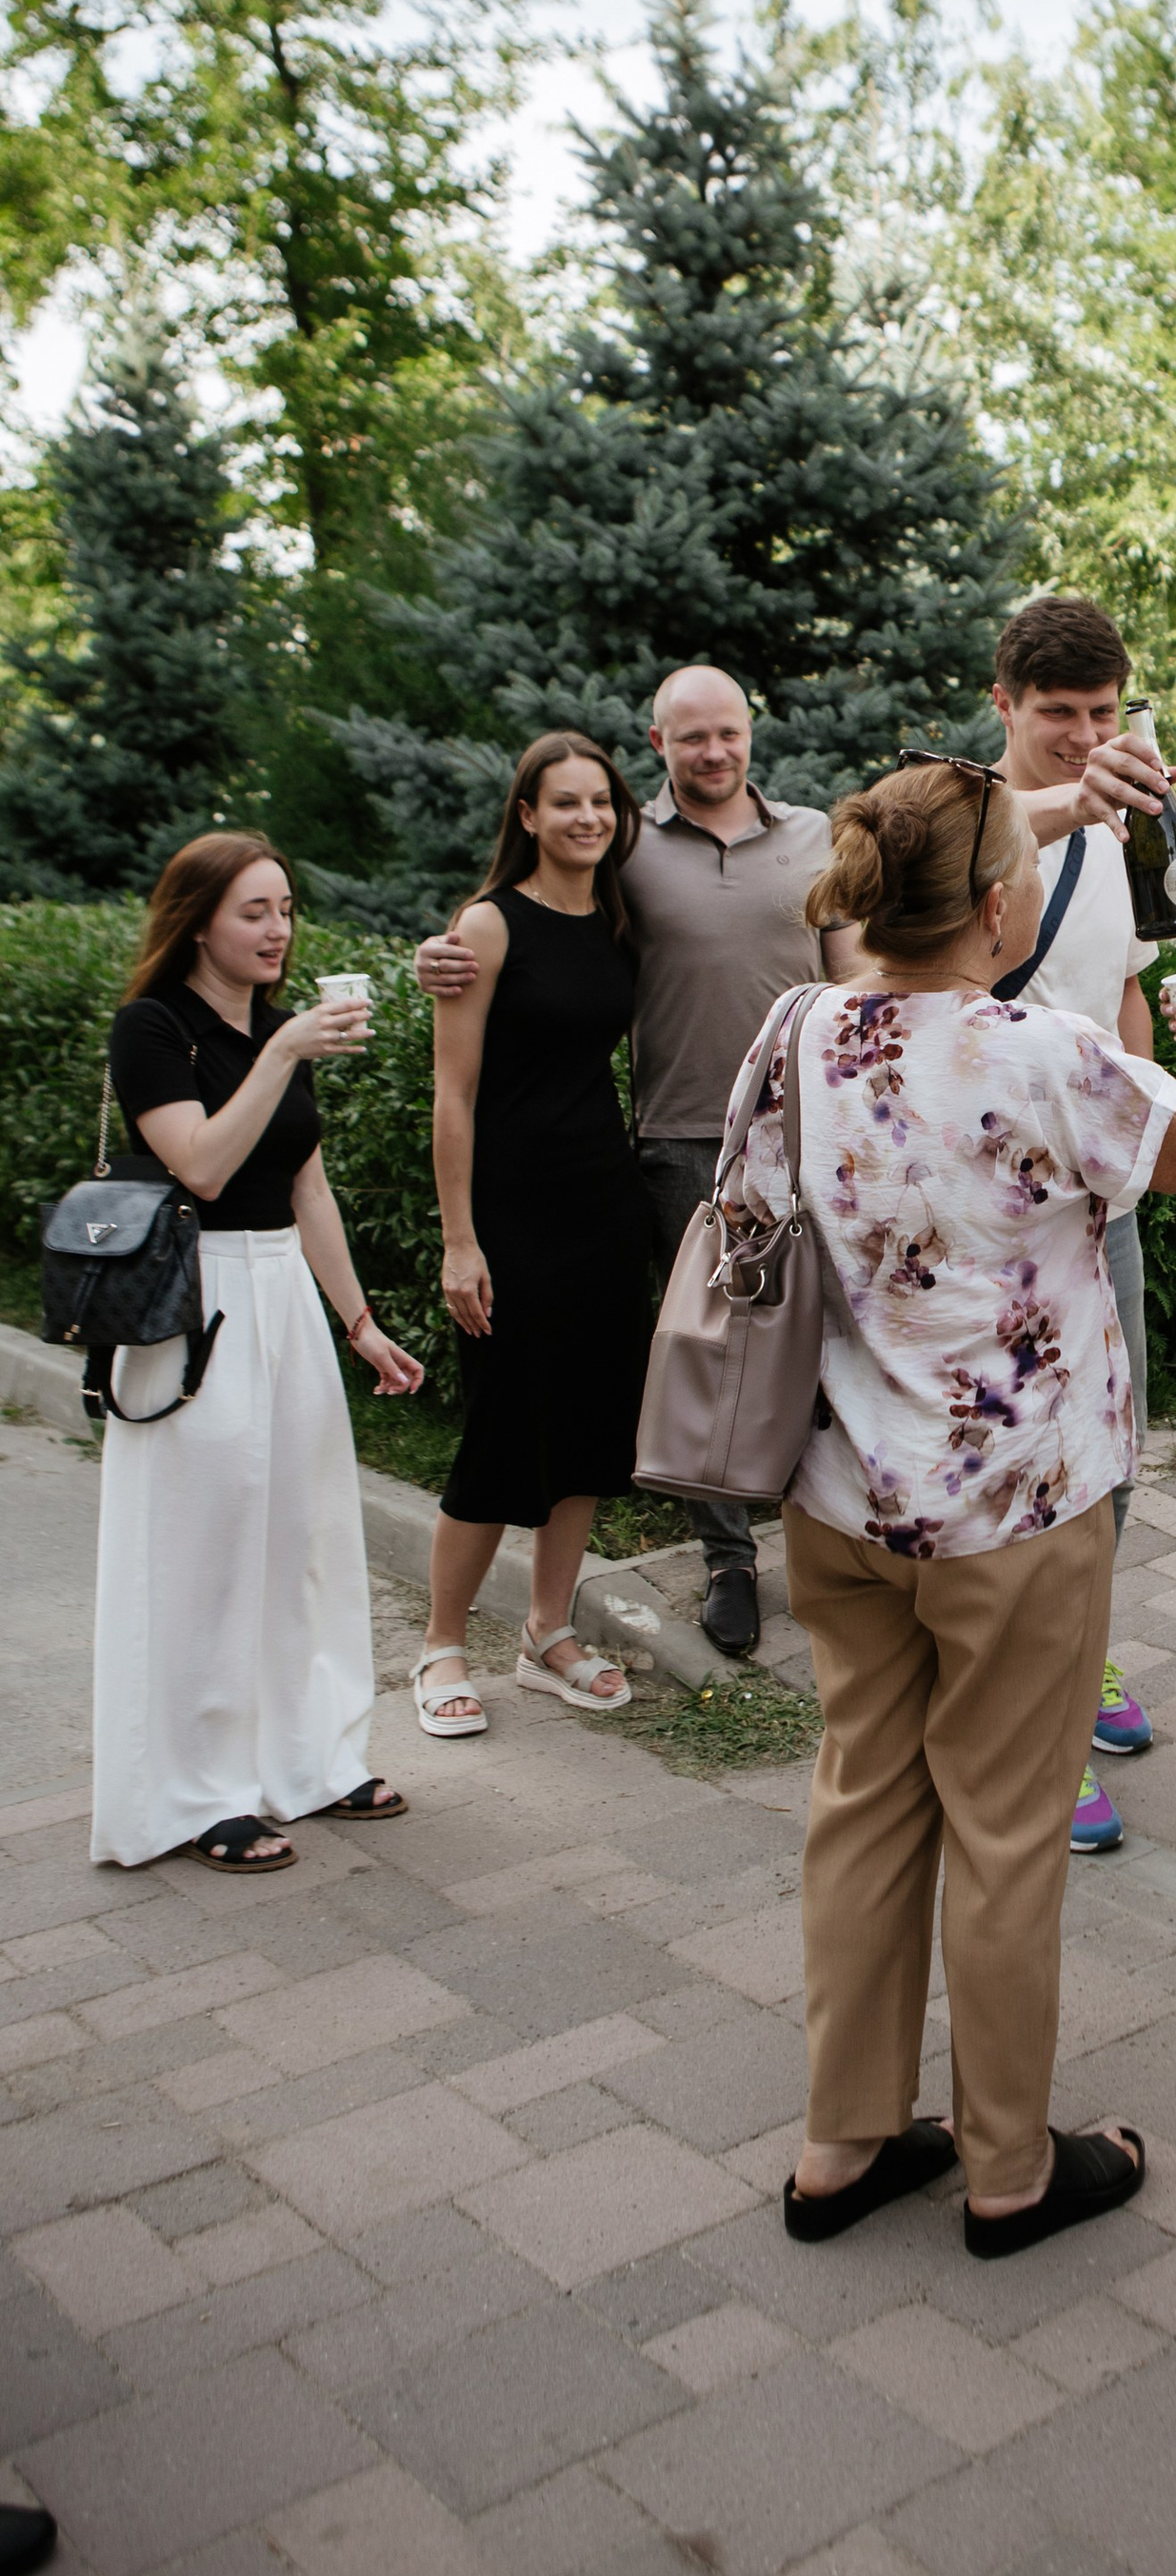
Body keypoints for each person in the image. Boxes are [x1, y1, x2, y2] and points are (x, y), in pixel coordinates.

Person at [744, 758, 1176, 2254]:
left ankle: (842, 2145)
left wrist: (1010, 816)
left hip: (841, 1496)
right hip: (1014, 1514)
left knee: (862, 1802)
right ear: (994, 907)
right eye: (1022, 871)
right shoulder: (1039, 1050)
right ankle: (1008, 2170)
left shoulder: (799, 1028)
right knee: (1004, 1828)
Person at [417, 665, 836, 1659]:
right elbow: (499, 982)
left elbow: (857, 945)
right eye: (691, 737)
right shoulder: (616, 856)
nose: (713, 751)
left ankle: (822, 1555)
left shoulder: (791, 841)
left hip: (744, 1155)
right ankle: (719, 1562)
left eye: (727, 731)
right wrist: (432, 954)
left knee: (794, 1358)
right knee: (670, 1373)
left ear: (750, 729)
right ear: (659, 744)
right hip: (640, 1156)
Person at [91, 835, 424, 1873]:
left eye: (285, 909)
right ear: (199, 922)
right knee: (208, 1545)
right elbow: (199, 1164)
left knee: (302, 1533)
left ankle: (308, 1760)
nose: (278, 929)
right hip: (195, 1296)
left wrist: (360, 1324)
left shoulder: (279, 1028)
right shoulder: (153, 1027)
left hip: (281, 1290)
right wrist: (282, 1057)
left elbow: (306, 1188)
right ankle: (198, 1796)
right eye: (254, 911)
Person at [978, 597, 1176, 1852]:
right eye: (1059, 714)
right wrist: (1067, 798)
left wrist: (1145, 1128)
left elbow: (1122, 994)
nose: (1087, 736)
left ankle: (1084, 1648)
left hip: (1101, 1211)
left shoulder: (1116, 831)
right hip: (985, 1220)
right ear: (1003, 704)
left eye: (1105, 713)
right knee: (1014, 1475)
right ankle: (1036, 1741)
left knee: (1112, 1452)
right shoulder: (957, 817)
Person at [411, 735, 653, 1739]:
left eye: (600, 801)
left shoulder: (618, 917)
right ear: (526, 815)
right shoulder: (487, 924)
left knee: (590, 1428)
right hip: (511, 1214)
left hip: (603, 1203)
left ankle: (547, 1632)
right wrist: (459, 1240)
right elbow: (453, 1093)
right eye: (565, 802)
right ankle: (440, 1645)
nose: (587, 818)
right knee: (503, 1428)